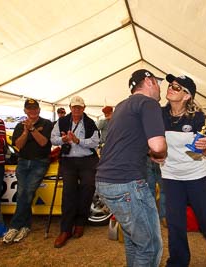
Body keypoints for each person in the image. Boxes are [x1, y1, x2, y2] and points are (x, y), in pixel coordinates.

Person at [95, 69, 167, 266]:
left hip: (106, 181)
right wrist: (161, 152)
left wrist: (150, 153)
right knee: (150, 246)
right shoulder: (149, 103)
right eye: (158, 82)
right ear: (149, 81)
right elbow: (158, 145)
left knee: (134, 240)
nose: (160, 88)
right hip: (127, 183)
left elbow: (127, 141)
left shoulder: (122, 106)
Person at [161, 74, 206, 267]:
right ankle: (178, 261)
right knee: (175, 223)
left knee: (205, 218)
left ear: (186, 96)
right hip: (171, 176)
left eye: (176, 87)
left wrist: (205, 147)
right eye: (170, 85)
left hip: (196, 176)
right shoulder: (159, 114)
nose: (170, 88)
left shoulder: (198, 117)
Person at [50, 95, 100, 248]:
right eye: (74, 107)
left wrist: (79, 141)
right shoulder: (62, 121)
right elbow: (53, 139)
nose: (77, 109)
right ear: (70, 107)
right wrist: (63, 140)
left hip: (87, 160)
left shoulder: (91, 122)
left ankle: (80, 222)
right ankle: (65, 229)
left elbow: (95, 142)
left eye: (79, 107)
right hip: (69, 160)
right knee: (68, 192)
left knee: (88, 189)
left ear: (83, 108)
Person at [2, 98, 53, 244]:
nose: (32, 111)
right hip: (23, 162)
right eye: (29, 109)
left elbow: (43, 142)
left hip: (40, 162)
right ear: (25, 111)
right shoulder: (19, 126)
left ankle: (14, 226)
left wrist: (32, 129)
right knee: (23, 193)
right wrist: (25, 131)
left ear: (39, 110)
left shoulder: (46, 123)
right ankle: (25, 226)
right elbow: (18, 145)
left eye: (35, 108)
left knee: (27, 192)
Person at [146, 156, 166, 226]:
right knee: (163, 191)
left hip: (151, 157)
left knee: (151, 191)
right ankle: (163, 217)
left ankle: (153, 217)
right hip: (157, 157)